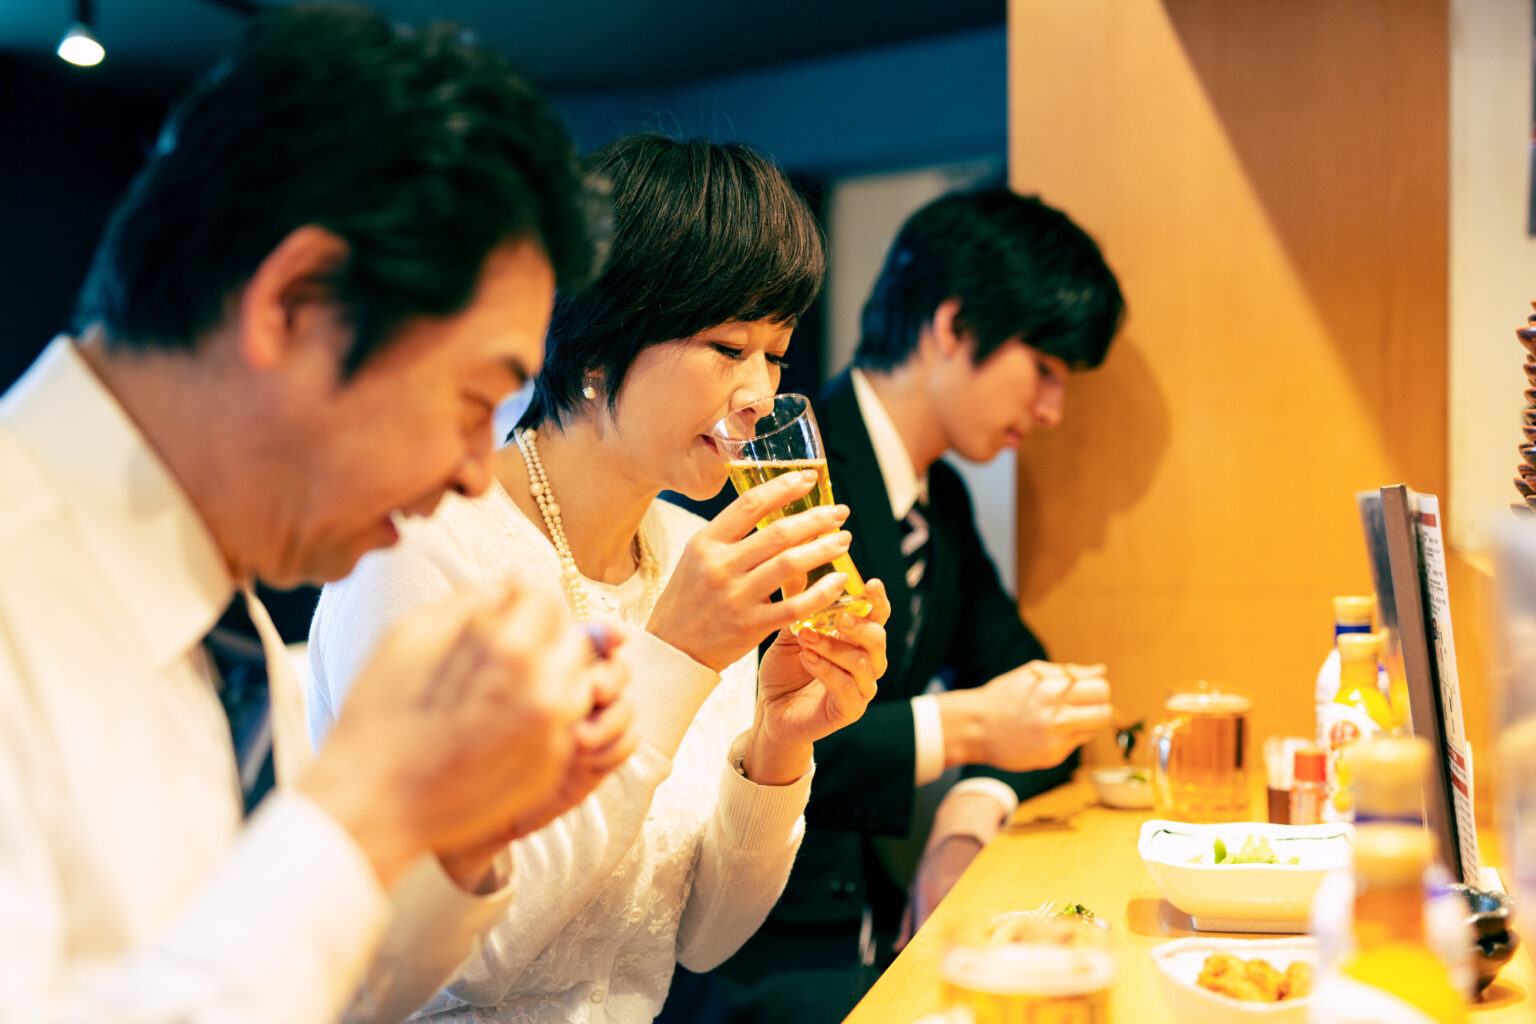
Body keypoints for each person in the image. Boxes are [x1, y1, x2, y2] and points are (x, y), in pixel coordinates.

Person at [0, 6, 629, 1023]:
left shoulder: (232, 629)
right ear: (293, 303)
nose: (477, 477)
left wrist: (455, 831)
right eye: (475, 403)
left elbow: (306, 991)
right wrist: (367, 801)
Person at [306, 133, 890, 1024]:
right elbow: (468, 964)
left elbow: (701, 941)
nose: (760, 394)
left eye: (775, 353)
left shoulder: (693, 550)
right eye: (727, 346)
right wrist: (675, 659)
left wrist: (779, 743)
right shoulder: (421, 551)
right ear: (596, 346)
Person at [692, 186, 1124, 1022]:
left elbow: (1033, 686)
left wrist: (966, 818)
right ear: (954, 327)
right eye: (1044, 369)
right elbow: (753, 728)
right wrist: (969, 726)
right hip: (753, 966)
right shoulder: (786, 469)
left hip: (875, 935)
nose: (1053, 409)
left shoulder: (942, 502)